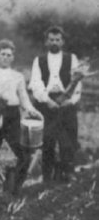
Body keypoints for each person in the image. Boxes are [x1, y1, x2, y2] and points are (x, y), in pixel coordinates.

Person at [0, 39, 43, 195]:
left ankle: (13, 190)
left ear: (13, 57)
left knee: (24, 155)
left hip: (12, 116)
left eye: (9, 55)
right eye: (3, 54)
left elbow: (24, 98)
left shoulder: (18, 76)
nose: (5, 57)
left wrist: (32, 110)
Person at [28, 25, 83, 183]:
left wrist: (70, 101)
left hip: (66, 102)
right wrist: (47, 100)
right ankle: (47, 176)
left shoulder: (71, 58)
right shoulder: (39, 60)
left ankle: (68, 172)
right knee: (47, 141)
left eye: (57, 40)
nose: (54, 42)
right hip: (47, 103)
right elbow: (36, 84)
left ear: (62, 41)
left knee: (68, 140)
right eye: (51, 39)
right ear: (46, 42)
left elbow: (77, 83)